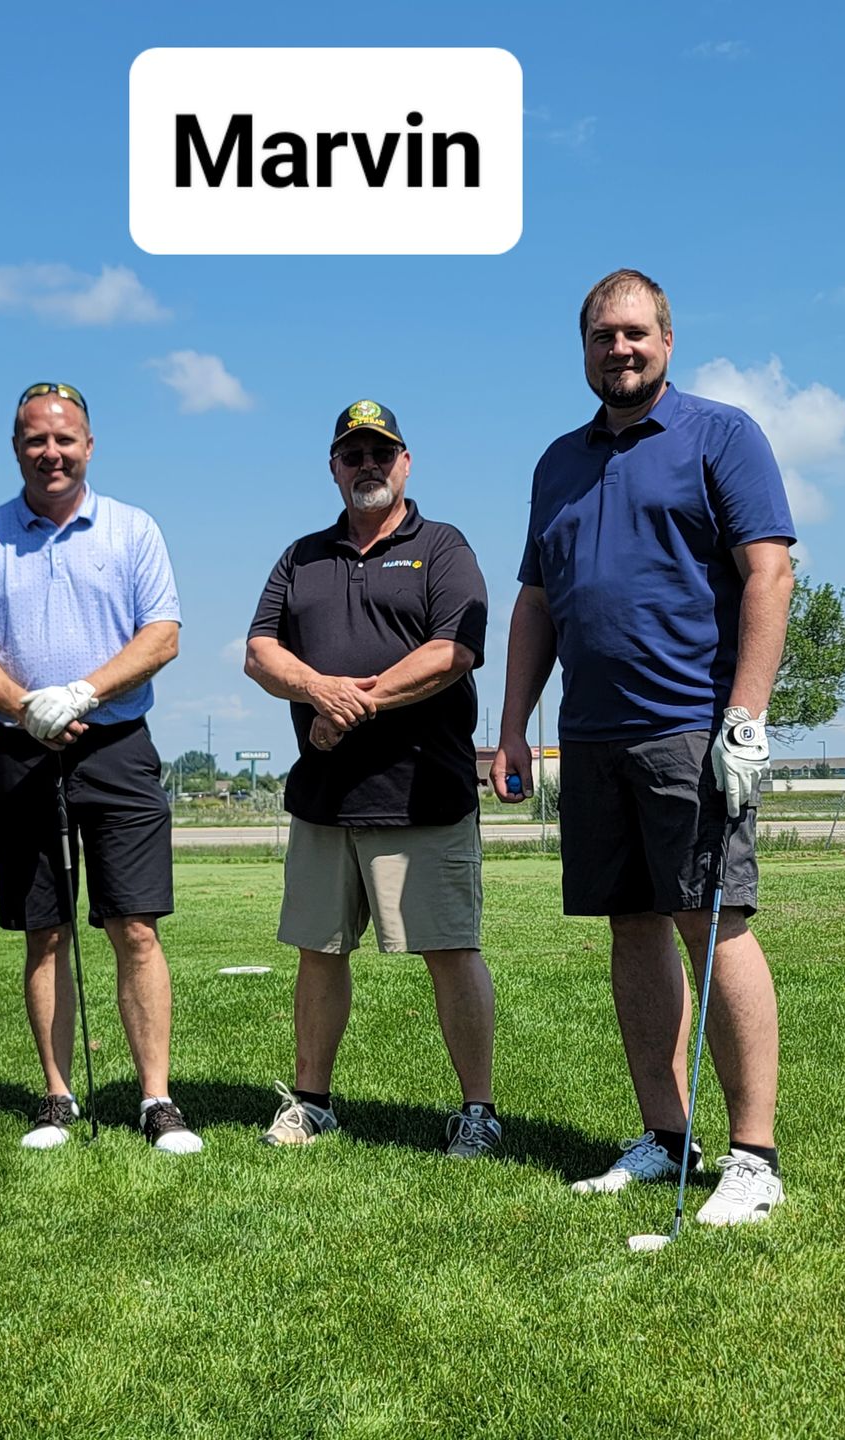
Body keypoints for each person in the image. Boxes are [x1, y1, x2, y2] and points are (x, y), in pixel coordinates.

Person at [492, 271, 795, 1224]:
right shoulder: (557, 463)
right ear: (582, 350)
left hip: (689, 732)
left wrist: (745, 715)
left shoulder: (723, 435)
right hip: (590, 737)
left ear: (667, 339)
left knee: (712, 923)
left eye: (634, 334)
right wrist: (512, 724)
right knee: (631, 929)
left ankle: (753, 1156)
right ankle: (666, 1135)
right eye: (600, 337)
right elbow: (538, 601)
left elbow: (769, 570)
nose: (618, 350)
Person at [0, 381, 199, 1155]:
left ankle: (156, 1099)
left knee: (137, 927)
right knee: (44, 933)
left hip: (117, 747)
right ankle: (58, 1098)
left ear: (89, 445)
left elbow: (163, 634)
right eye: (34, 440)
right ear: (16, 447)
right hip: (23, 751)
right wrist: (27, 706)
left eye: (65, 439)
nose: (50, 452)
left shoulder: (132, 529)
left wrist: (84, 691)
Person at [245, 400, 500, 1158]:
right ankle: (314, 1102)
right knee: (319, 953)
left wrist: (352, 704)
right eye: (352, 454)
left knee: (451, 951)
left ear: (406, 463)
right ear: (333, 466)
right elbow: (261, 651)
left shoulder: (443, 546)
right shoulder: (302, 556)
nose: (367, 466)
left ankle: (479, 1112)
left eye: (380, 453)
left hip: (423, 795)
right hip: (326, 799)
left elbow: (455, 649)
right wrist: (316, 691)